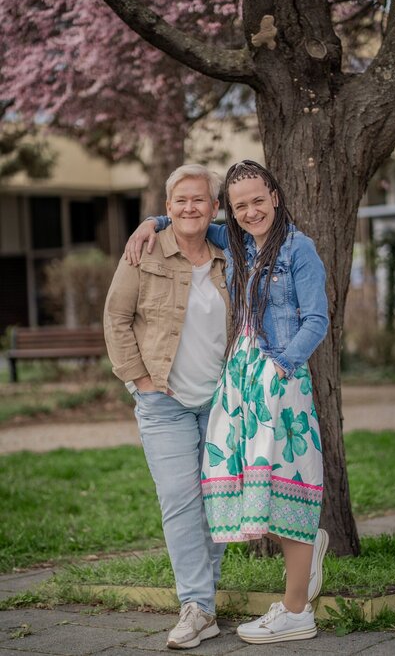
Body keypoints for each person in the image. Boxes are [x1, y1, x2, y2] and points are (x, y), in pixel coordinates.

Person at [126, 159, 330, 645]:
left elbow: (317, 320)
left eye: (258, 200)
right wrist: (151, 221)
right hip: (239, 382)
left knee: (286, 479)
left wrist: (281, 366)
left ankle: (296, 610)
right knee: (250, 486)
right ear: (231, 212)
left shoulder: (299, 248)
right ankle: (303, 559)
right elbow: (189, 218)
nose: (251, 211)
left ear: (275, 197)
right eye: (241, 206)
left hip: (278, 380)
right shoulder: (235, 242)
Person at [104, 164, 229, 650]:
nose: (189, 208)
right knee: (180, 500)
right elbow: (116, 317)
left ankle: (204, 606)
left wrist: (152, 219)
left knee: (217, 502)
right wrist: (140, 380)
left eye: (199, 199)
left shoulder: (230, 253)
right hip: (164, 402)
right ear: (168, 206)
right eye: (180, 200)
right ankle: (195, 604)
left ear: (214, 207)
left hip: (222, 402)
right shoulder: (145, 250)